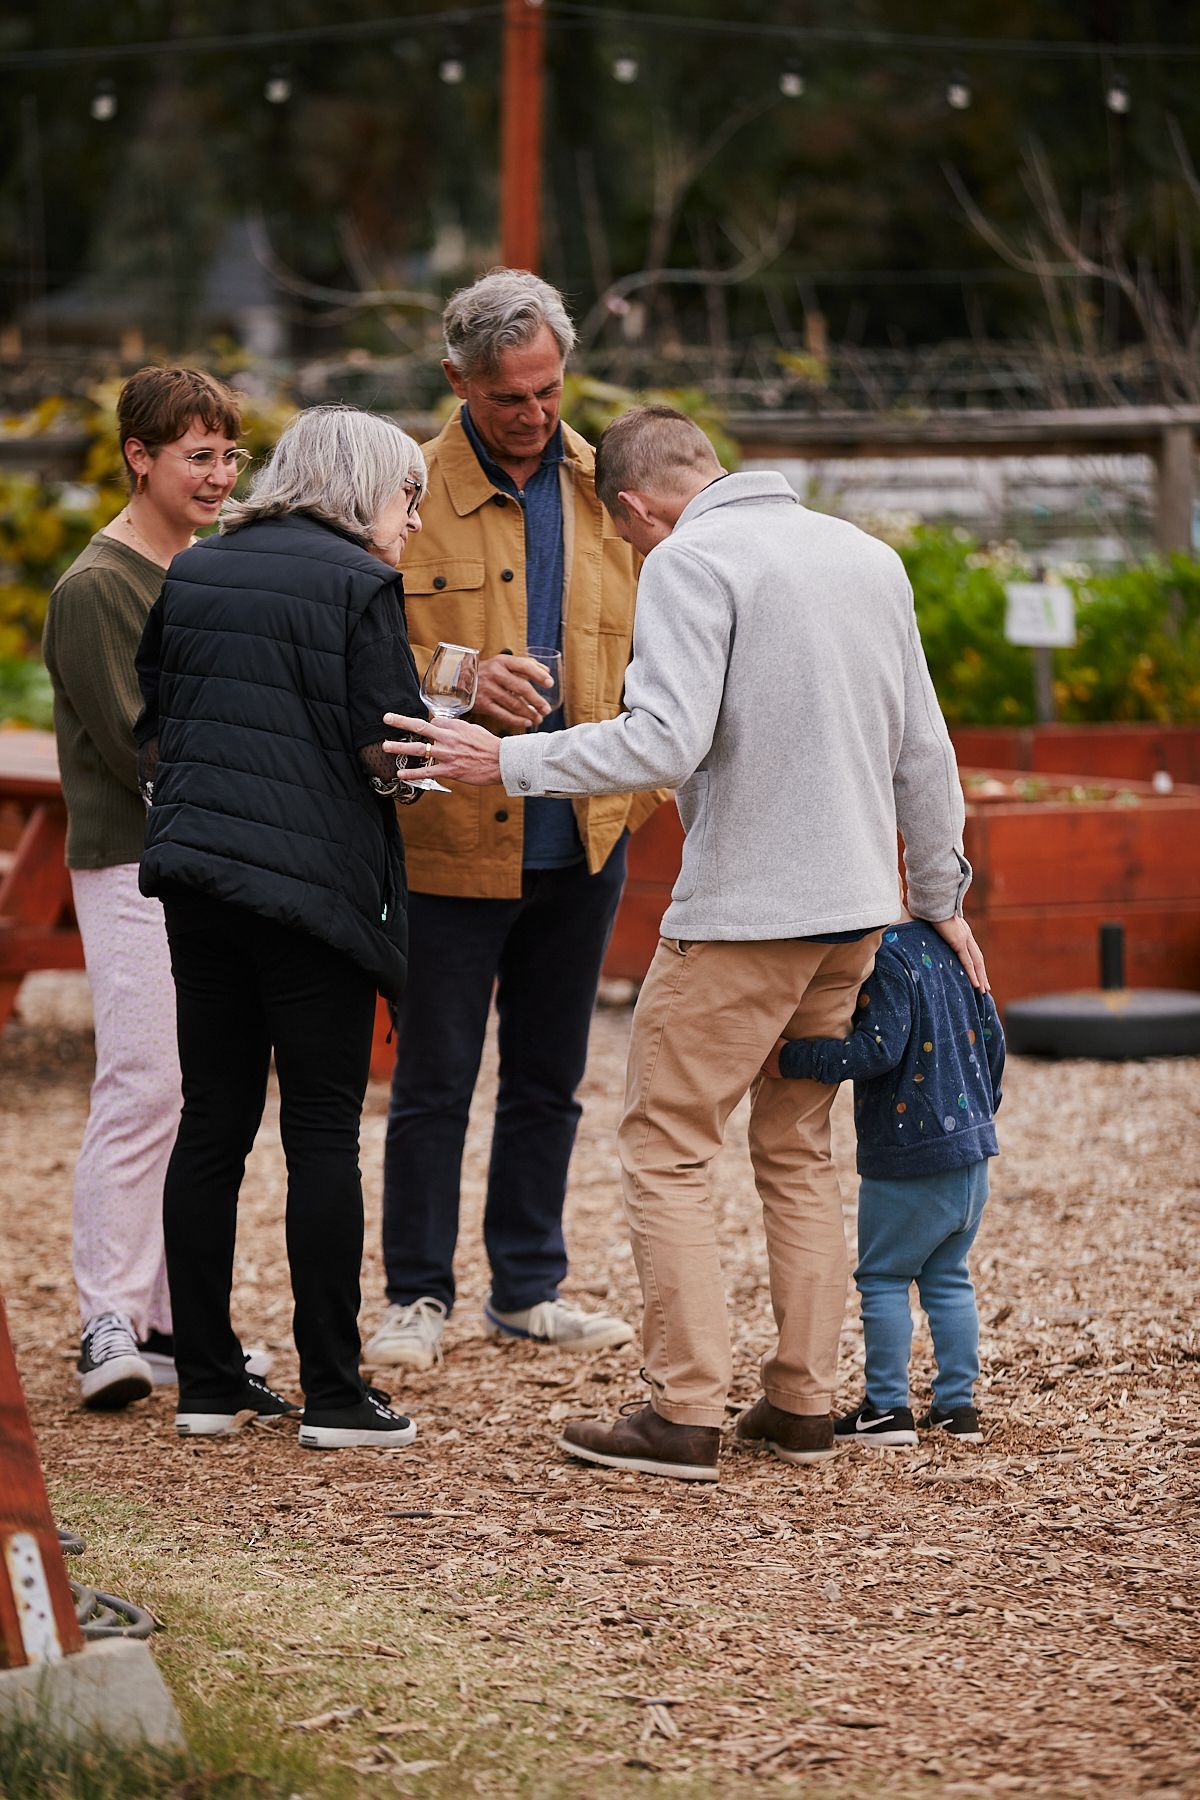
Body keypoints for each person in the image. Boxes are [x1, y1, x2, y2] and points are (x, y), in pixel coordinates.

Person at [382, 403, 990, 1484]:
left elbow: (665, 737)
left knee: (667, 1148)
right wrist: (939, 893)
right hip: (856, 910)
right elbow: (925, 749)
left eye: (624, 534)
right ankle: (802, 1401)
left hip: (744, 917)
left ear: (632, 507)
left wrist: (505, 765)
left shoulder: (690, 559)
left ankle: (685, 1411)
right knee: (796, 1151)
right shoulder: (864, 556)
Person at [363, 269, 665, 1374]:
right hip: (445, 841)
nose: (535, 413)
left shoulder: (608, 485)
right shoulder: (398, 488)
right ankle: (417, 1294)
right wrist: (460, 673)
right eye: (508, 397)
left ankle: (528, 1285)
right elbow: (355, 643)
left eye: (548, 389)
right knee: (434, 1078)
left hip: (585, 833)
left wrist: (640, 791)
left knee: (550, 1073)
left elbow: (668, 644)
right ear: (457, 381)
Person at [134, 405, 427, 1450]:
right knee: (320, 1130)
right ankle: (338, 1396)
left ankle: (208, 1384)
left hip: (198, 880)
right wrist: (437, 754)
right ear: (362, 490)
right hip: (311, 896)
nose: (413, 521)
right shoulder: (362, 584)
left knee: (212, 1121)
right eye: (408, 495)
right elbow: (390, 748)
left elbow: (159, 724)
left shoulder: (197, 570)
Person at [42, 365, 273, 1409]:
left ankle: (182, 1320)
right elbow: (148, 741)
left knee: (206, 1089)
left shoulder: (213, 568)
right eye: (199, 456)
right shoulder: (98, 587)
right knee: (143, 1083)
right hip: (136, 859)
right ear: (141, 457)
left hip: (217, 859)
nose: (220, 475)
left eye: (231, 455)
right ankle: (107, 1318)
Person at [764, 917, 1004, 1448]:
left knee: (884, 1279)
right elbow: (993, 1036)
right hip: (972, 1154)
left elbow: (877, 1049)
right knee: (948, 1277)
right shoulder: (952, 946)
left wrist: (791, 1058)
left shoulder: (881, 957)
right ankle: (957, 1407)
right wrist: (982, 1116)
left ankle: (887, 1408)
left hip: (908, 1157)